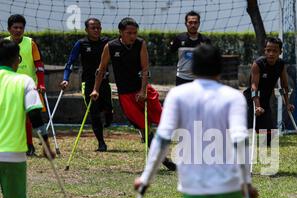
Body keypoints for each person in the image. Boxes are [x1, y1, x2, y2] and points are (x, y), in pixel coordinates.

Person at [134, 44, 258, 198]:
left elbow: (162, 139)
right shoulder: (233, 97)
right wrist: (246, 180)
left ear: (191, 69)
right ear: (220, 69)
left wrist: (146, 177)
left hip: (194, 188)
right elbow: (240, 140)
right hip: (229, 186)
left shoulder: (179, 96)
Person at [90, 17, 176, 170]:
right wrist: (95, 89)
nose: (132, 36)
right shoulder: (110, 46)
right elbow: (101, 69)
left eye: (135, 33)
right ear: (121, 33)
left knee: (163, 118)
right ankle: (163, 157)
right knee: (142, 126)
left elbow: (145, 69)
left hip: (142, 89)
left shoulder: (140, 44)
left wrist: (143, 90)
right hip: (125, 94)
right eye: (129, 33)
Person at [0, 39, 55, 198]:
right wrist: (46, 144)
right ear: (17, 60)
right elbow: (35, 115)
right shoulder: (24, 81)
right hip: (12, 153)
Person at [60, 18, 113, 152]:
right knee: (94, 113)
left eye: (98, 28)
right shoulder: (81, 44)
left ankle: (109, 114)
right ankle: (101, 143)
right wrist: (66, 78)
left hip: (104, 82)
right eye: (93, 28)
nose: (96, 30)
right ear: (86, 30)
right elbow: (70, 62)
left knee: (107, 108)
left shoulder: (107, 42)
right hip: (88, 83)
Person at [6, 14, 47, 156]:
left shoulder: (31, 43)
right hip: (9, 86)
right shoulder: (3, 44)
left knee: (30, 117)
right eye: (15, 27)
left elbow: (39, 65)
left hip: (29, 87)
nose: (18, 30)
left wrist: (41, 83)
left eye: (21, 27)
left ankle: (30, 146)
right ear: (9, 29)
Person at [245, 37, 294, 147]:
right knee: (246, 133)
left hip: (265, 100)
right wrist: (257, 106)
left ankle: (266, 157)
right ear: (264, 51)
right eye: (268, 50)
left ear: (280, 52)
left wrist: (287, 104)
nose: (271, 54)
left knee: (270, 140)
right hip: (251, 100)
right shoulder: (258, 64)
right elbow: (254, 87)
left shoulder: (280, 65)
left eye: (274, 51)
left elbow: (284, 86)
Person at [169, 11, 211, 86]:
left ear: (199, 23)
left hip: (199, 78)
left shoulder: (205, 40)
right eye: (190, 22)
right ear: (186, 24)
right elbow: (171, 51)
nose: (193, 25)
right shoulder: (179, 39)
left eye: (195, 22)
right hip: (181, 77)